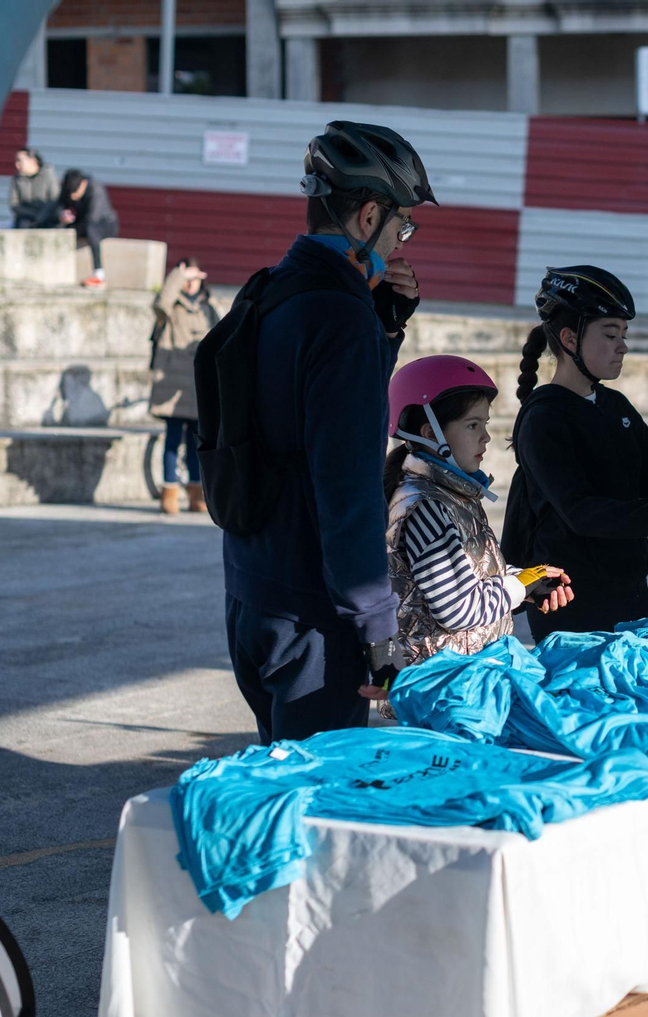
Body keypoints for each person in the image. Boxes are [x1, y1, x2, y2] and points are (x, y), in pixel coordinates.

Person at [223, 121, 431, 743]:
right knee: (318, 816)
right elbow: (348, 487)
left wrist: (384, 332)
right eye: (402, 227)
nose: (400, 244)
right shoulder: (339, 317)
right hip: (314, 617)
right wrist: (378, 632)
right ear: (368, 215)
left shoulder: (269, 292)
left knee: (282, 787)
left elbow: (301, 420)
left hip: (252, 594)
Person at [503, 266, 648, 639]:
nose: (623, 346)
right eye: (610, 334)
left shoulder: (614, 405)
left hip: (628, 588)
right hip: (570, 603)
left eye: (624, 334)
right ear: (569, 338)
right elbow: (582, 512)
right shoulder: (544, 418)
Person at [383, 355, 573, 687]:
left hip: (465, 679)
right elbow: (458, 610)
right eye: (473, 425)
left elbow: (471, 578)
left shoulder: (452, 495)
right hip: (441, 689)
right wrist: (517, 587)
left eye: (485, 424)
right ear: (431, 433)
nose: (486, 437)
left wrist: (530, 580)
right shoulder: (426, 508)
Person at [148, 257, 218, 515]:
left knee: (195, 442)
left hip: (199, 387)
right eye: (186, 279)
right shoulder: (171, 307)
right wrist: (177, 277)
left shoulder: (207, 308)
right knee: (172, 439)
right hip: (172, 385)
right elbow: (160, 304)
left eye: (194, 278)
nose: (190, 284)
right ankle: (169, 492)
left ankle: (195, 491)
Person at [56, 168, 119, 289]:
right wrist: (62, 215)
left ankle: (99, 273)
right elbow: (57, 206)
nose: (73, 197)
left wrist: (74, 227)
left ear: (84, 183)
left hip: (104, 225)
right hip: (82, 222)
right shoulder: (68, 188)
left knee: (91, 229)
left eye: (76, 193)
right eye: (70, 194)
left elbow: (92, 218)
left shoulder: (96, 190)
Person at [8, 148, 58, 229]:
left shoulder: (48, 174)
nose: (17, 165)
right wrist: (32, 215)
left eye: (20, 161)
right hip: (26, 217)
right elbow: (14, 204)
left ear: (33, 161)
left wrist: (41, 216)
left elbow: (54, 199)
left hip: (47, 216)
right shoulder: (17, 179)